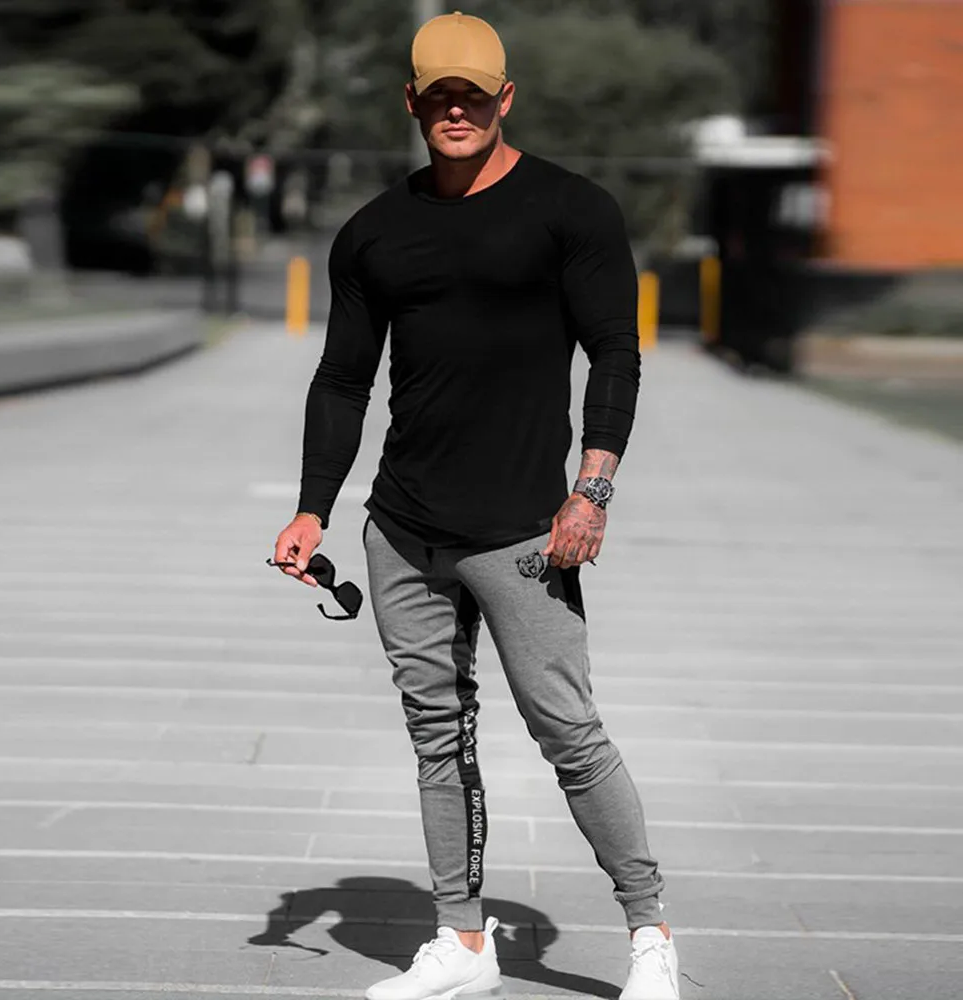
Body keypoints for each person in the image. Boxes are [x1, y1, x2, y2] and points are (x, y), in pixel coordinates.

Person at [272, 11, 679, 1000]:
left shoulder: (571, 210)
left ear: (505, 100)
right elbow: (342, 380)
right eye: (439, 96)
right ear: (413, 102)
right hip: (403, 528)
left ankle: (650, 932)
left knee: (566, 730)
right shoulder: (374, 232)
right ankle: (461, 940)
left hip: (527, 531)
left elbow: (614, 353)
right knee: (436, 732)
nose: (456, 111)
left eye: (474, 95)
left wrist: (591, 490)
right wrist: (312, 508)